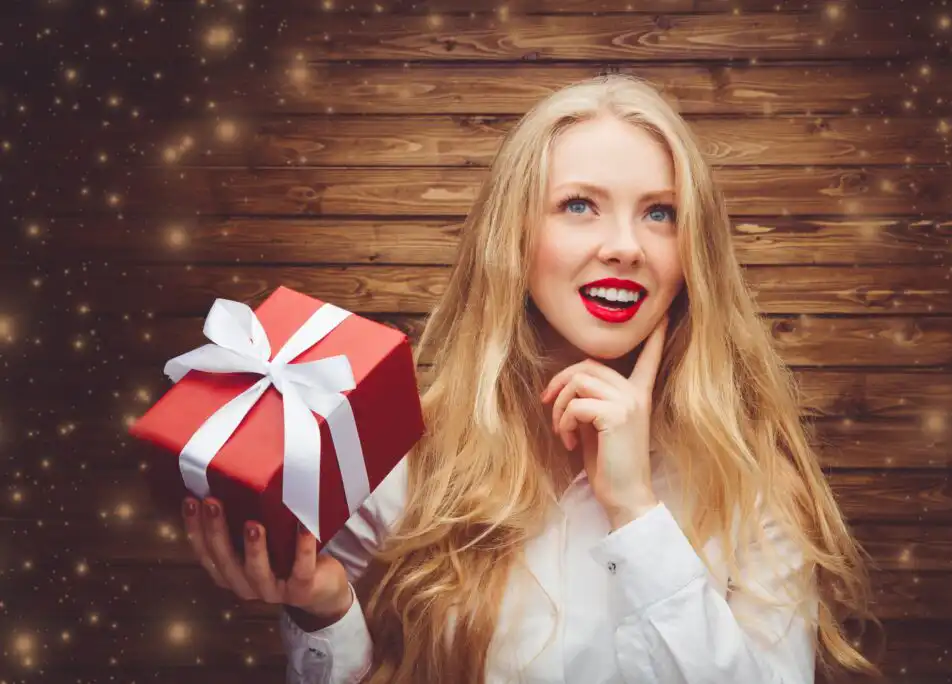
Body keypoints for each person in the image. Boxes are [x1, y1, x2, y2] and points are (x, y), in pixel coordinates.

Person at [179, 74, 881, 683]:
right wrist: (323, 610)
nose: (625, 246)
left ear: (693, 250)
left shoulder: (750, 478)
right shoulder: (405, 456)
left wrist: (637, 514)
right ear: (513, 236)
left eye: (660, 213)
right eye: (579, 205)